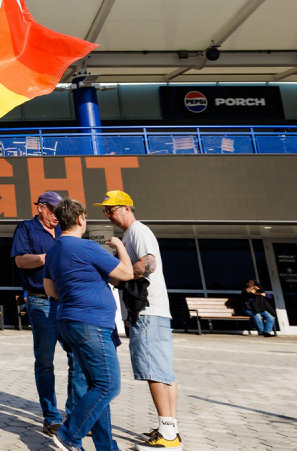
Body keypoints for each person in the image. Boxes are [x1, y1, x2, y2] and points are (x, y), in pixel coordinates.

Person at [44, 198, 133, 451]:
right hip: (91, 324)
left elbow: (51, 290)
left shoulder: (54, 250)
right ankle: (68, 436)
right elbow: (126, 274)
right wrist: (118, 245)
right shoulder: (86, 247)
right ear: (81, 219)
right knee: (108, 385)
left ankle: (106, 447)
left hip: (69, 322)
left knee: (96, 386)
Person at [98, 191, 180, 450]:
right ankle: (170, 428)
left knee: (154, 371)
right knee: (164, 371)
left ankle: (168, 435)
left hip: (146, 311)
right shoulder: (133, 233)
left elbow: (149, 264)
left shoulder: (136, 231)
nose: (108, 215)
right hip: (154, 310)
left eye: (110, 209)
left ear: (125, 208)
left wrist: (121, 271)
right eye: (106, 211)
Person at [10, 190, 65, 436]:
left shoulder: (65, 229)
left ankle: (75, 415)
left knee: (78, 360)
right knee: (45, 362)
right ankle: (51, 417)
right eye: (53, 210)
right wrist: (47, 257)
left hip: (69, 303)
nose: (57, 216)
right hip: (41, 302)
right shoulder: (26, 228)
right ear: (41, 207)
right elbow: (21, 261)